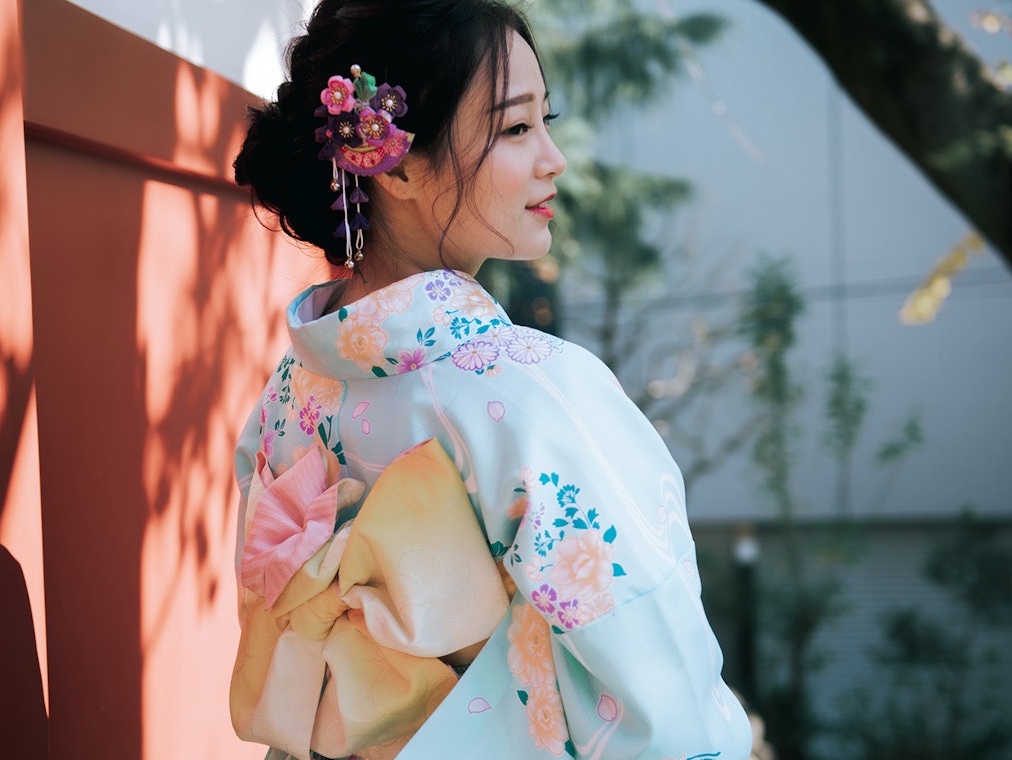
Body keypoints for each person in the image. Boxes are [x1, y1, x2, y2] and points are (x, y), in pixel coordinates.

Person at [228, 1, 754, 758]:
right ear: (398, 163)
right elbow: (657, 690)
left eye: (548, 119)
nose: (553, 157)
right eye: (514, 128)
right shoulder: (531, 396)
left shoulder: (286, 394)